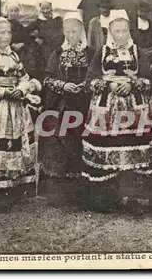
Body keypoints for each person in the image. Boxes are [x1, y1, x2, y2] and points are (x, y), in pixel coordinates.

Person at [82, 9, 152, 214]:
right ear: (110, 31)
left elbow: (149, 79)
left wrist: (133, 85)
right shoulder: (102, 52)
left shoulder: (136, 51)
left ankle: (132, 198)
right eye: (117, 31)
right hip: (107, 108)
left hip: (134, 108)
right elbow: (90, 80)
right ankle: (106, 198)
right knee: (109, 149)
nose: (121, 35)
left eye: (124, 31)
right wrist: (109, 86)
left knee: (131, 151)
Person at [0, 16, 42, 209]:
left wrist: (22, 88)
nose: (6, 36)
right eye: (1, 32)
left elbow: (24, 77)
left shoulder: (14, 56)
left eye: (9, 32)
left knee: (15, 143)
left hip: (15, 106)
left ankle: (12, 187)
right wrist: (3, 92)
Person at [39, 11, 94, 201]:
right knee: (62, 140)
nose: (71, 36)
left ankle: (84, 189)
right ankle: (64, 192)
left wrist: (86, 85)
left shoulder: (91, 52)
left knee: (84, 140)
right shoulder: (58, 52)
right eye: (68, 32)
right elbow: (47, 78)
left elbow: (96, 76)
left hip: (85, 103)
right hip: (63, 104)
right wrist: (63, 85)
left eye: (75, 32)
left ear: (81, 31)